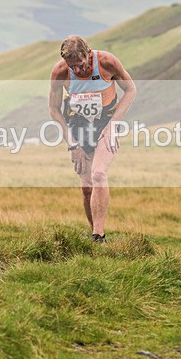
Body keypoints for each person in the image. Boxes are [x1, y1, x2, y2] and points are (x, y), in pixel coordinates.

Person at [48, 36, 136, 242]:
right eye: (72, 68)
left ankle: (99, 235)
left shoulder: (107, 62)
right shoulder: (60, 71)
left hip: (105, 124)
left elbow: (131, 89)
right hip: (78, 129)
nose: (77, 71)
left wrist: (113, 125)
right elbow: (53, 109)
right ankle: (94, 233)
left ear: (88, 55)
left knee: (98, 174)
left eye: (80, 65)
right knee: (87, 187)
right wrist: (72, 144)